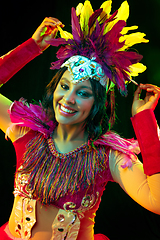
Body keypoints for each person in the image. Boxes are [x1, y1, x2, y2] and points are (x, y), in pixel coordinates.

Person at [0, 1, 160, 239]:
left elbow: (157, 201)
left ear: (99, 104)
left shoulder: (108, 156)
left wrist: (145, 118)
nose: (68, 99)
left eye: (83, 93)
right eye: (64, 86)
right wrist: (32, 47)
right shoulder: (26, 131)